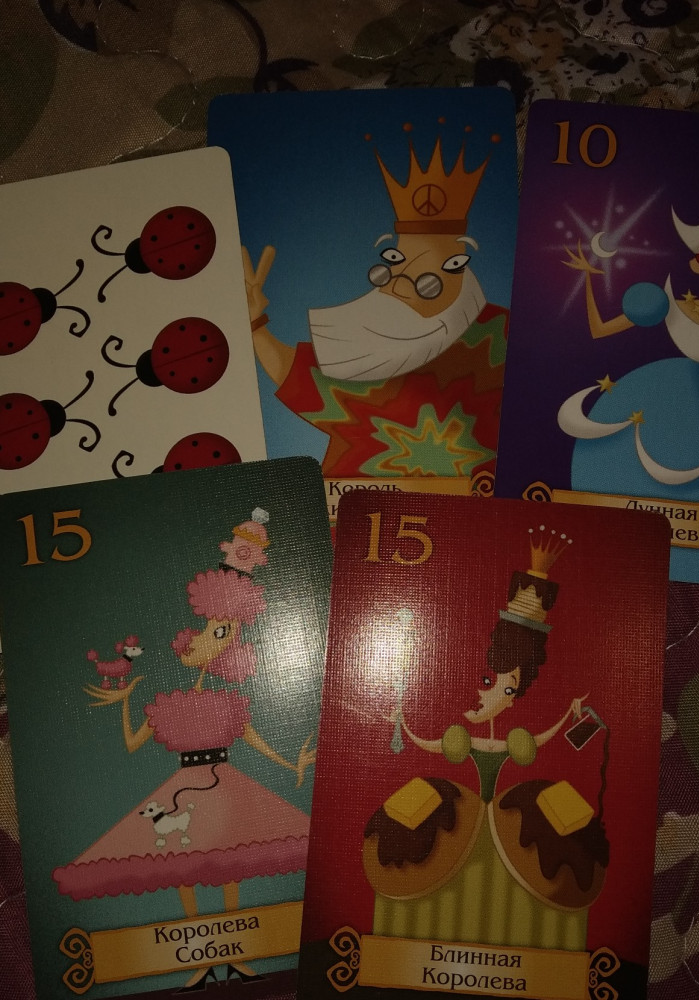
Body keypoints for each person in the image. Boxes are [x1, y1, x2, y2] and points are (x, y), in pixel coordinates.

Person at [55, 516, 315, 990]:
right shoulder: (168, 702)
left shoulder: (230, 701)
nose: (211, 637)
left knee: (233, 865)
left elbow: (255, 738)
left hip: (228, 788)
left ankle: (237, 955)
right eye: (211, 627)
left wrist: (290, 764)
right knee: (183, 870)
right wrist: (125, 700)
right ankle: (198, 961)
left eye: (224, 633)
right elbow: (133, 743)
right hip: (183, 792)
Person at [363, 528, 608, 951]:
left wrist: (570, 713)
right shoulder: (462, 731)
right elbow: (429, 742)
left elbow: (541, 737)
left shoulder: (513, 735)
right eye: (489, 682)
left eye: (506, 688)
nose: (490, 695)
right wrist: (403, 723)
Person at [244, 126, 508, 482]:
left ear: (457, 267)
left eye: (426, 277)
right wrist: (254, 323)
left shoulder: (499, 336)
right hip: (353, 510)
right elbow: (296, 375)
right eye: (394, 264)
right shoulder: (369, 351)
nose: (398, 283)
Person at [559, 164, 699, 582]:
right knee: (605, 538)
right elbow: (600, 329)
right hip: (638, 412)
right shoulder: (665, 295)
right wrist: (589, 279)